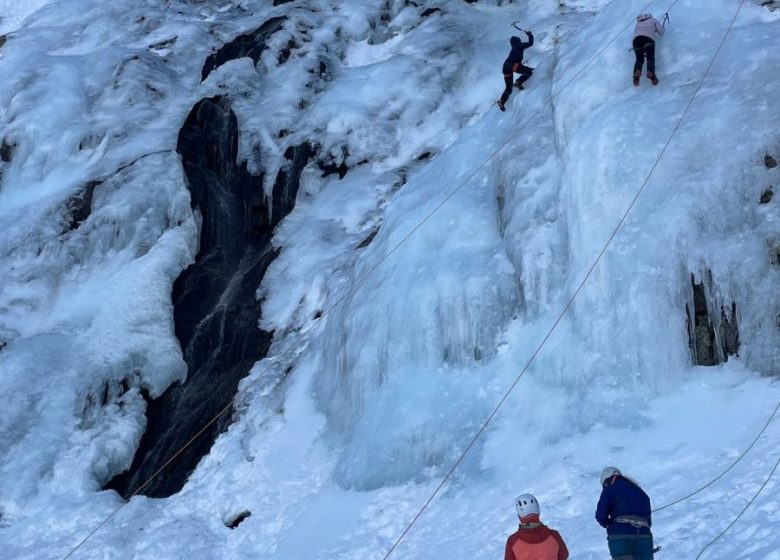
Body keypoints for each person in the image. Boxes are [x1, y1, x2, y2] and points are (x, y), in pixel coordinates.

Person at [595, 466, 655, 560]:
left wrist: (609, 524)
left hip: (621, 536)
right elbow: (649, 522)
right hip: (644, 536)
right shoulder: (642, 493)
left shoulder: (610, 489)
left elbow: (601, 515)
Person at [505, 493, 569, 560]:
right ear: (538, 511)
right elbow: (564, 555)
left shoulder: (512, 541)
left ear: (519, 516)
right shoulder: (554, 536)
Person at [497, 30, 534, 111]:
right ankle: (518, 82)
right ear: (518, 41)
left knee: (509, 88)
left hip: (506, 67)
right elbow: (530, 43)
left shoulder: (513, 48)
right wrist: (530, 34)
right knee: (529, 72)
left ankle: (502, 101)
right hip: (513, 66)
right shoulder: (519, 45)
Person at [632, 13, 665, 86]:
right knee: (650, 58)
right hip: (648, 39)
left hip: (636, 41)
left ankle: (636, 74)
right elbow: (661, 31)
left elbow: (637, 33)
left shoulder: (638, 23)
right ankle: (651, 73)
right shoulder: (652, 20)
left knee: (639, 59)